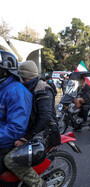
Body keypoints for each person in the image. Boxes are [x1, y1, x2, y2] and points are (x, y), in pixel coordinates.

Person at [0, 55, 45, 187]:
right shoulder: (3, 88)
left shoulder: (17, 92)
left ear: (4, 71)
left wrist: (29, 136)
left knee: (10, 161)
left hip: (10, 140)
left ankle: (39, 184)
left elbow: (16, 127)